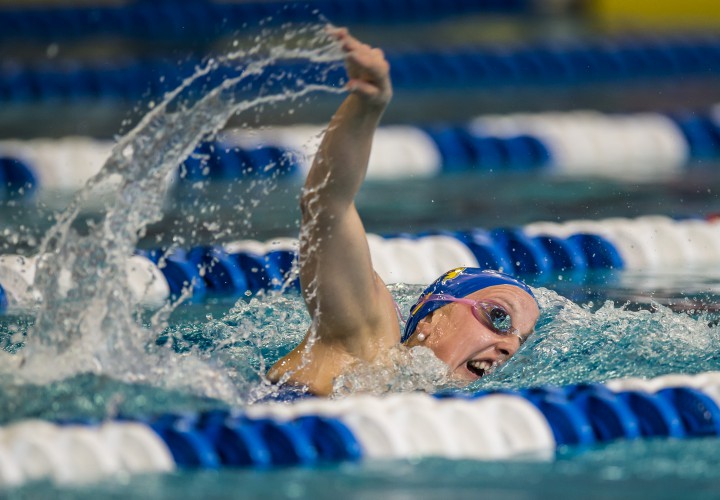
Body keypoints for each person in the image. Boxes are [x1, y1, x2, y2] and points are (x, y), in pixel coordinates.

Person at [268, 28, 540, 396]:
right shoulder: (365, 346)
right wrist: (366, 107)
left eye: (520, 343)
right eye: (499, 317)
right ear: (431, 318)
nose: (509, 347)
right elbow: (326, 205)